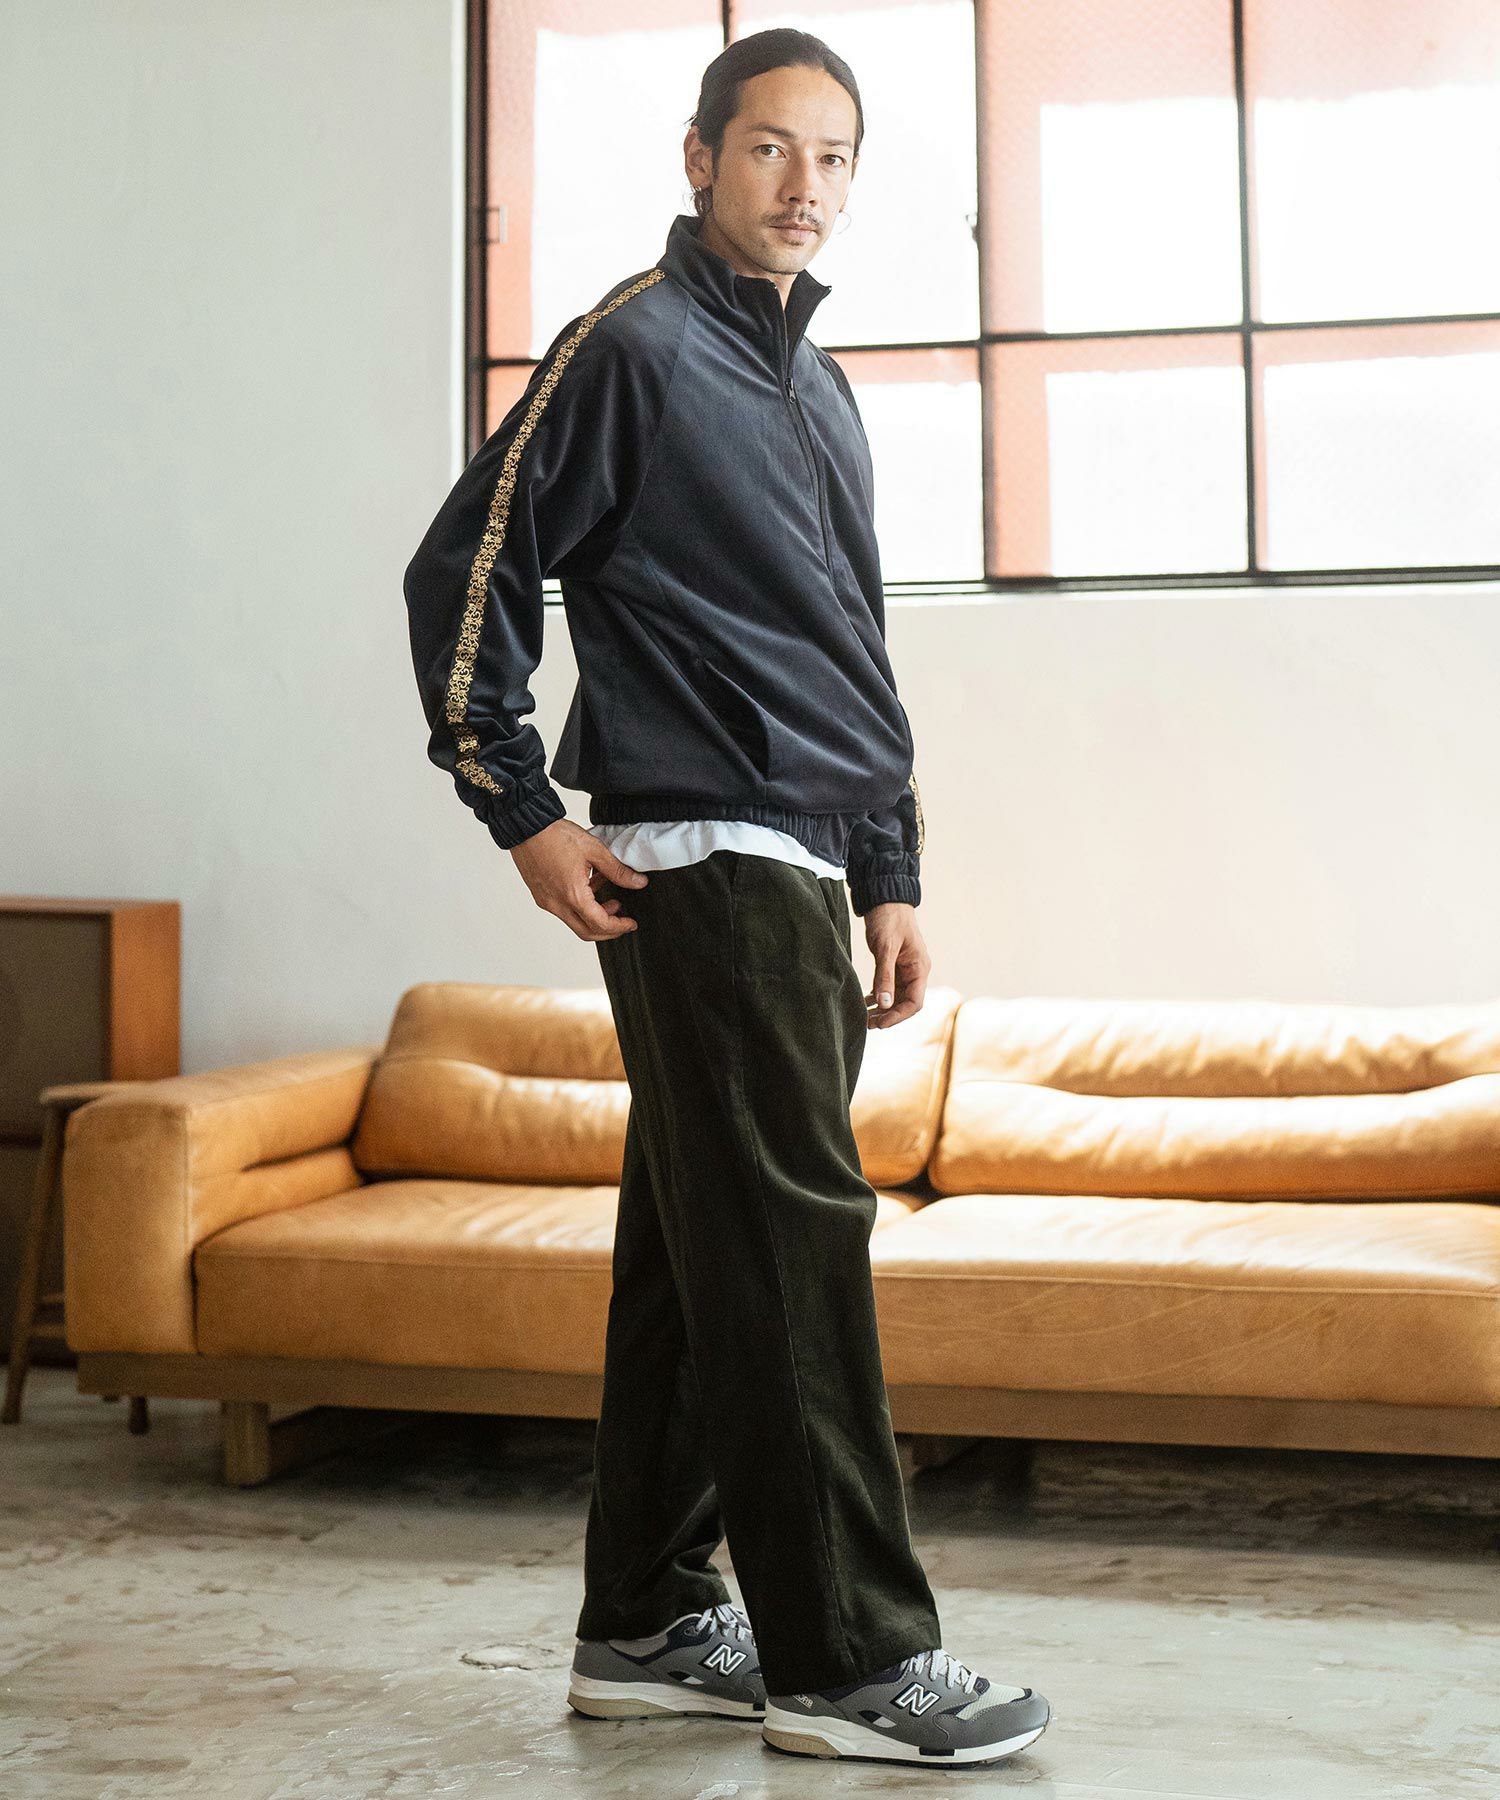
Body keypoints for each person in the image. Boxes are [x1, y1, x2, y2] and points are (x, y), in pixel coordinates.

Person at [401, 25, 1050, 1770]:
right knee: (790, 1245)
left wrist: (891, 870)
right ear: (700, 159)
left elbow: (853, 646)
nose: (803, 185)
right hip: (701, 855)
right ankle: (849, 1658)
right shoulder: (631, 346)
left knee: (702, 1249)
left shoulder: (818, 388)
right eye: (770, 148)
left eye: (833, 159)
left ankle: (646, 1617)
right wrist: (522, 810)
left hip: (810, 862)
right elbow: (467, 567)